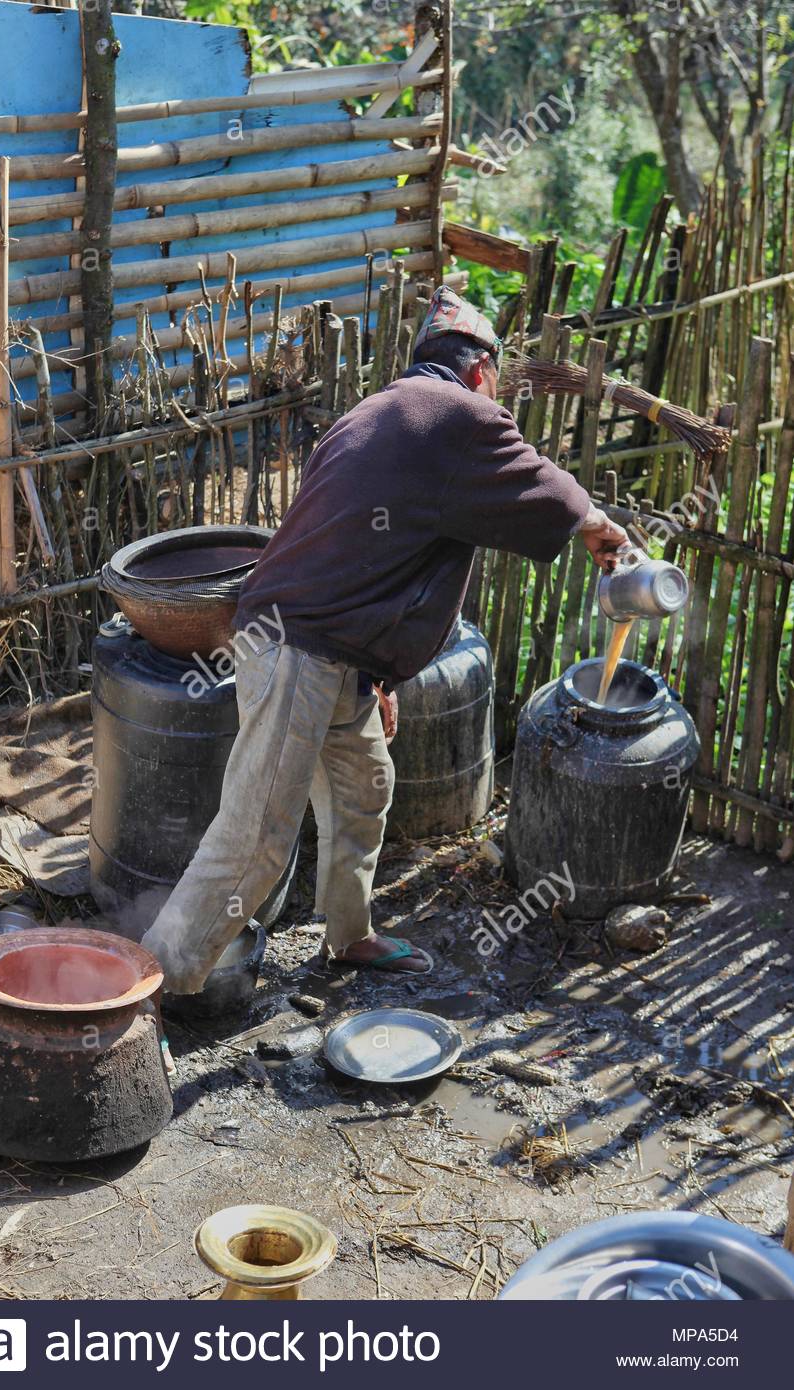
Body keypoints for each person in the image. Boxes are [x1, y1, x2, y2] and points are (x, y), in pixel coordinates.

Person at [141, 286, 628, 994]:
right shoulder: (456, 413)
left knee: (363, 789)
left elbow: (377, 554)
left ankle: (349, 936)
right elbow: (545, 487)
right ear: (479, 372)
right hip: (296, 648)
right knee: (256, 837)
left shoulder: (384, 414)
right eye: (497, 386)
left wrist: (378, 675)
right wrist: (597, 522)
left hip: (330, 648)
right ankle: (153, 989)